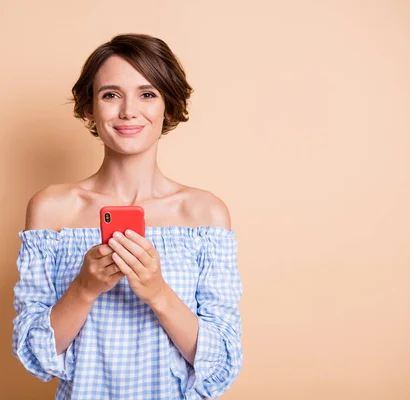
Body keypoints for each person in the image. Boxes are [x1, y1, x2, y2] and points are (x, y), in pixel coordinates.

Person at [12, 33, 243, 400]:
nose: (128, 111)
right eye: (111, 95)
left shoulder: (204, 214)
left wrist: (157, 292)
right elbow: (35, 354)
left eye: (147, 94)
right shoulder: (53, 209)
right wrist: (84, 289)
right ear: (89, 108)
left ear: (168, 107)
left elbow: (221, 363)